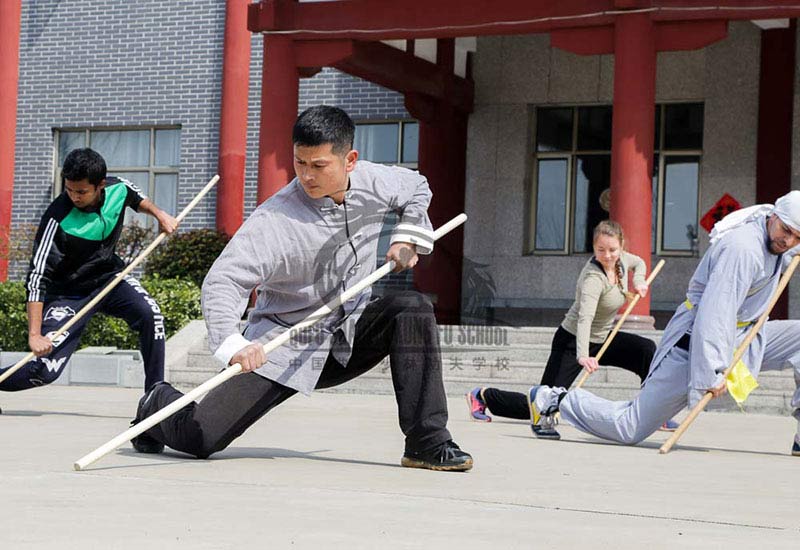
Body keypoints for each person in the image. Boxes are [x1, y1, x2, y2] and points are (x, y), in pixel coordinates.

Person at [130, 105, 473, 471]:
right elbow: (224, 280)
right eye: (300, 163)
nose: (307, 176)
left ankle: (427, 442)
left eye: (319, 165)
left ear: (350, 160)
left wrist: (407, 237)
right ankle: (156, 401)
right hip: (283, 344)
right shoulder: (275, 219)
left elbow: (417, 188)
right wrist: (234, 344)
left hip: (349, 334)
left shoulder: (377, 181)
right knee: (200, 438)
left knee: (411, 306)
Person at [528, 192, 800, 456]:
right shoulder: (742, 250)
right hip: (695, 344)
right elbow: (715, 313)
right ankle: (553, 399)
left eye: (797, 237)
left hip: (745, 335)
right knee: (629, 427)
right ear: (773, 216)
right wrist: (714, 370)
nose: (788, 241)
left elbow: (783, 249)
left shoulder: (776, 237)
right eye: (786, 230)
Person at [467, 220, 675, 438]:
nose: (607, 255)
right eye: (600, 250)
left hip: (604, 337)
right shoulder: (593, 279)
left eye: (613, 249)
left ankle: (654, 411)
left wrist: (639, 281)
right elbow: (585, 318)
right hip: (573, 341)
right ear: (594, 248)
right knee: (544, 401)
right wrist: (583, 356)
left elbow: (640, 263)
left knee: (645, 350)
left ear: (621, 246)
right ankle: (483, 396)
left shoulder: (621, 260)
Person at [0, 148, 177, 401]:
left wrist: (160, 215)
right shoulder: (57, 218)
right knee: (42, 371)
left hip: (110, 279)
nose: (74, 196)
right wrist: (34, 335)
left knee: (151, 315)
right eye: (69, 189)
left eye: (81, 191)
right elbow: (37, 277)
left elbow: (137, 198)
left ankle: (155, 398)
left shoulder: (118, 189)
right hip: (67, 294)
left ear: (100, 185)